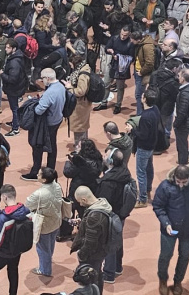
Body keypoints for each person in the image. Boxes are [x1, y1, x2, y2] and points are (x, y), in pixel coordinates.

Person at [153, 164, 189, 295]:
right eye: (178, 182)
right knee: (165, 256)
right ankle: (162, 280)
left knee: (184, 256)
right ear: (174, 177)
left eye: (184, 182)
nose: (180, 185)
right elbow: (158, 206)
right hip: (169, 229)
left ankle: (178, 282)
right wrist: (166, 223)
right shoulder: (165, 186)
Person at [0, 184, 30, 295]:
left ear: (4, 197)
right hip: (17, 250)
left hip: (2, 253)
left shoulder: (3, 218)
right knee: (13, 271)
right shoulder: (26, 211)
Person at [22, 68, 66, 180]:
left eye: (42, 78)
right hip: (57, 119)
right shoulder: (60, 86)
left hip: (47, 123)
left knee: (37, 145)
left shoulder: (50, 93)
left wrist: (37, 102)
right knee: (52, 145)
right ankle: (50, 170)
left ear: (47, 78)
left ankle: (35, 172)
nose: (41, 80)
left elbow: (38, 111)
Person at [96, 150, 133, 284]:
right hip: (121, 213)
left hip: (112, 214)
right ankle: (117, 267)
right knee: (117, 240)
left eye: (106, 155)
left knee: (109, 243)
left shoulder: (109, 182)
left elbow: (104, 201)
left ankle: (109, 273)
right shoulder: (123, 172)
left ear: (111, 161)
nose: (103, 155)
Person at [69, 186, 112, 293]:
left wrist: (81, 255)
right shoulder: (103, 204)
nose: (80, 205)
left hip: (93, 254)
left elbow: (90, 243)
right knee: (97, 274)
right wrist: (83, 222)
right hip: (101, 249)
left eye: (80, 202)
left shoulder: (94, 216)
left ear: (84, 199)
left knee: (92, 277)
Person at [26, 167, 64, 277]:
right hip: (56, 221)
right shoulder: (57, 186)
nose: (37, 175)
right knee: (51, 244)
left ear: (44, 180)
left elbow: (28, 205)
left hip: (44, 225)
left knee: (42, 249)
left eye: (39, 174)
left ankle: (45, 270)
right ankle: (48, 261)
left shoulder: (39, 194)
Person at [133, 89, 162, 208]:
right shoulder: (155, 109)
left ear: (144, 99)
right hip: (152, 145)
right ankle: (148, 188)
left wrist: (133, 130)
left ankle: (143, 198)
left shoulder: (145, 116)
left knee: (141, 172)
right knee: (149, 168)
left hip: (144, 147)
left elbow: (143, 135)